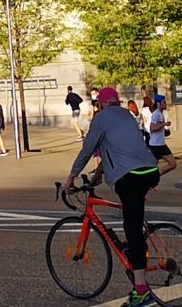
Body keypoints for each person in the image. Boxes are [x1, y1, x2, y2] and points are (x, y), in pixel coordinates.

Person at [64, 87, 160, 307]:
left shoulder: (100, 119)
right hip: (150, 170)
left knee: (132, 230)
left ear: (103, 104)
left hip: (131, 176)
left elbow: (87, 150)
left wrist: (71, 178)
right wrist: (98, 175)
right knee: (134, 221)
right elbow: (115, 150)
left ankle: (141, 291)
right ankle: (138, 253)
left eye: (98, 104)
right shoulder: (126, 115)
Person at [147, 95, 176, 175]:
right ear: (158, 104)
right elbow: (152, 129)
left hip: (161, 144)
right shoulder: (156, 114)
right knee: (152, 167)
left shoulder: (160, 113)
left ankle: (154, 178)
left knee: (173, 164)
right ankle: (151, 181)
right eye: (164, 102)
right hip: (155, 145)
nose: (165, 104)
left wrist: (164, 128)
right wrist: (163, 124)